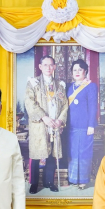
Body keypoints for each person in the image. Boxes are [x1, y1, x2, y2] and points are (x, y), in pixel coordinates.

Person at [24, 55, 68, 193]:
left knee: (52, 154)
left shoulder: (60, 85)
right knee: (37, 154)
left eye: (51, 65)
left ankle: (49, 181)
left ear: (54, 67)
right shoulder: (33, 83)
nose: (48, 68)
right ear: (40, 66)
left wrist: (60, 120)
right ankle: (34, 183)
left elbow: (65, 104)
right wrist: (44, 117)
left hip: (55, 124)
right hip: (40, 124)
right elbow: (29, 103)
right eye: (45, 65)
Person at [66, 59, 98, 189]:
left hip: (85, 126)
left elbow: (93, 106)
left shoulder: (91, 86)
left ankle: (83, 180)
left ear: (85, 71)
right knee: (73, 153)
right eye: (75, 70)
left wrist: (91, 125)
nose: (77, 72)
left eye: (80, 69)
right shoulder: (69, 87)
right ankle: (73, 179)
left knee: (84, 153)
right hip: (70, 126)